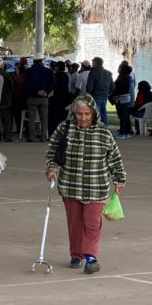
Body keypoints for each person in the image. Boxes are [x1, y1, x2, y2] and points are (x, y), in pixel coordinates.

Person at [46, 94, 126, 273]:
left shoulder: (103, 132)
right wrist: (51, 168)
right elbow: (52, 151)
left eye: (87, 114)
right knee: (75, 223)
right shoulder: (64, 128)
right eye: (79, 114)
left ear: (94, 114)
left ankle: (91, 257)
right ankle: (76, 254)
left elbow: (114, 157)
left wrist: (119, 179)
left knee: (92, 223)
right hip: (70, 185)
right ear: (74, 114)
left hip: (96, 186)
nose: (83, 118)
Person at [24, 57, 55, 141]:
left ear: (33, 62)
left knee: (32, 118)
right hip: (44, 98)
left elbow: (26, 84)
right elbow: (52, 83)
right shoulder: (48, 71)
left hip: (32, 97)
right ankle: (44, 136)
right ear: (42, 62)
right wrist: (46, 92)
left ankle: (31, 137)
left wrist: (36, 91)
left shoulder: (28, 71)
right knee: (44, 118)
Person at [86, 57, 114, 125]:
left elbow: (90, 86)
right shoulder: (108, 73)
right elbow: (112, 86)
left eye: (93, 61)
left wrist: (88, 94)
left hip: (95, 95)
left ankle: (97, 129)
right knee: (104, 113)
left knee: (96, 114)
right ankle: (105, 128)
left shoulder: (93, 72)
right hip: (104, 96)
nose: (92, 63)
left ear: (96, 63)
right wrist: (108, 93)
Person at [112, 62, 135, 138]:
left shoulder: (122, 78)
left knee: (122, 116)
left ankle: (123, 133)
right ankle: (127, 132)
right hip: (126, 98)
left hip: (121, 99)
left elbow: (117, 88)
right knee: (125, 116)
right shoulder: (128, 77)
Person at [0, 58, 13, 143]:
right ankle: (8, 137)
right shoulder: (6, 75)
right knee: (6, 120)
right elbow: (11, 86)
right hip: (5, 100)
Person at [49, 61, 70, 133]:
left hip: (55, 98)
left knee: (53, 116)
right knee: (61, 116)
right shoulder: (66, 75)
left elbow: (53, 87)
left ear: (58, 67)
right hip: (64, 98)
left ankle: (53, 131)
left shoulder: (55, 75)